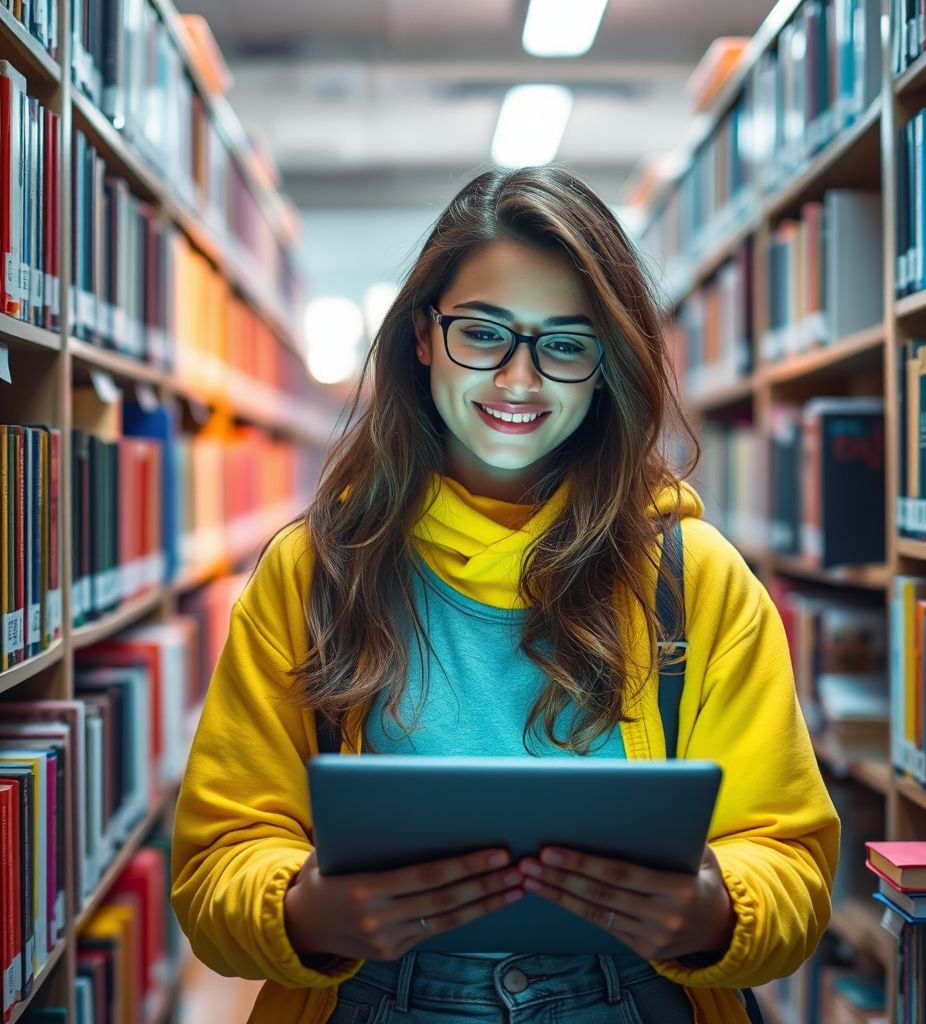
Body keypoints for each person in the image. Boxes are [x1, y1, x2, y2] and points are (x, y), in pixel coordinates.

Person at [171, 165, 840, 1024]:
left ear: (608, 367)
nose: (520, 380)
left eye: (565, 343)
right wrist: (302, 912)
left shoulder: (699, 580)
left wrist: (713, 913)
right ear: (423, 335)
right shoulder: (311, 575)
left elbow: (791, 861)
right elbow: (214, 864)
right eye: (483, 333)